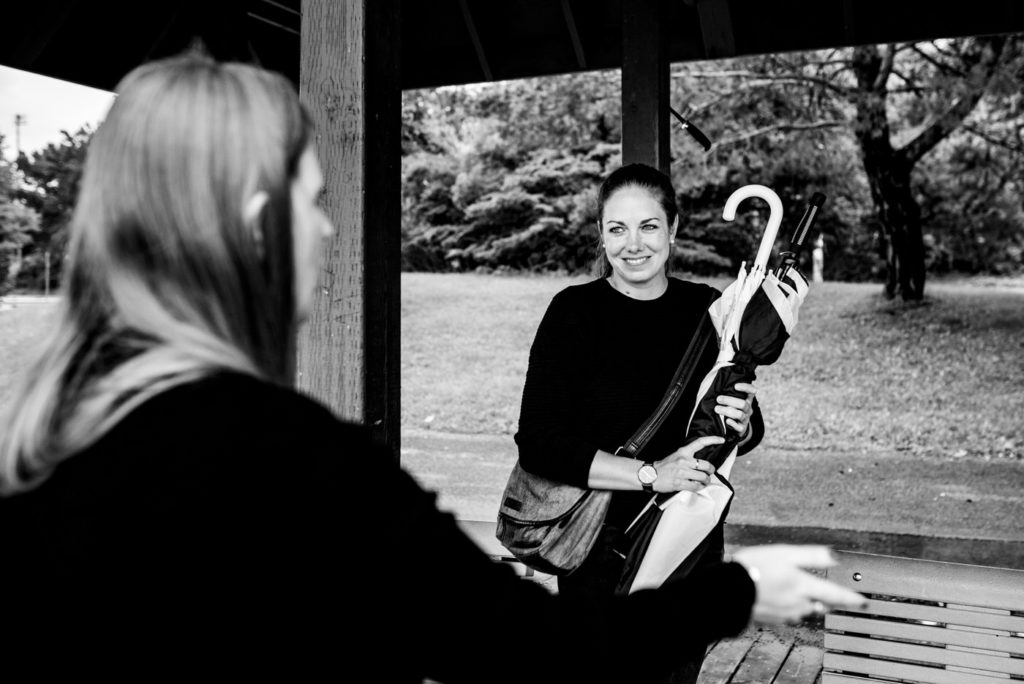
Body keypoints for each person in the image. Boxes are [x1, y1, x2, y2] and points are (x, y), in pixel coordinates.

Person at [0, 54, 863, 682]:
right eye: (312, 200)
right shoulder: (290, 462)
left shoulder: (39, 438)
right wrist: (736, 593)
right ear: (258, 220)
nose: (327, 231)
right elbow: (526, 649)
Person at [513, 163, 766, 683]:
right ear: (601, 235)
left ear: (673, 229)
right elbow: (539, 443)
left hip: (687, 537)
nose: (633, 244)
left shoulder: (708, 309)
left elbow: (742, 424)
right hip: (598, 546)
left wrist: (741, 422)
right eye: (617, 228)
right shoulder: (574, 312)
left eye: (648, 226)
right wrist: (652, 474)